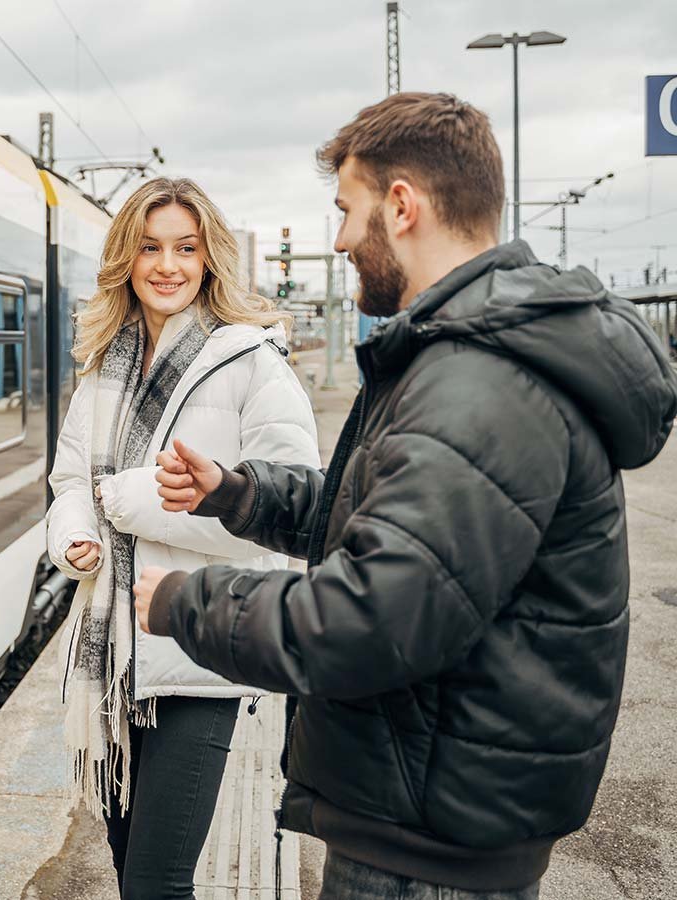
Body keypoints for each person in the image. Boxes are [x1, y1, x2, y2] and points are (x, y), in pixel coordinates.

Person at [133, 93, 677, 899]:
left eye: (347, 211)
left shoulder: (482, 383)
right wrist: (241, 494)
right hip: (430, 807)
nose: (342, 238)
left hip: (429, 847)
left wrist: (186, 602)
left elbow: (375, 617)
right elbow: (387, 527)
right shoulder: (466, 358)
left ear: (401, 205)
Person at [47, 177, 319, 900]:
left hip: (199, 652)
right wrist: (76, 534)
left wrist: (132, 502)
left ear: (209, 260)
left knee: (156, 884)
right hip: (114, 668)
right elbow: (70, 480)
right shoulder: (106, 365)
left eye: (185, 249)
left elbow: (293, 514)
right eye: (150, 247)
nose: (167, 265)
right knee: (129, 865)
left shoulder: (251, 363)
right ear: (126, 261)